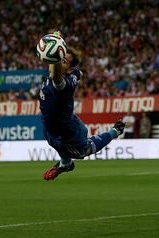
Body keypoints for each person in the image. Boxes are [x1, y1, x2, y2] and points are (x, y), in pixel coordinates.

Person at [39, 37, 125, 180]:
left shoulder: (63, 84)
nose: (59, 61)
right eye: (59, 57)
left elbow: (55, 74)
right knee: (58, 144)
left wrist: (54, 53)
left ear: (70, 68)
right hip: (50, 127)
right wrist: (56, 40)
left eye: (63, 61)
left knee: (84, 151)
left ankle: (114, 132)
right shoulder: (71, 73)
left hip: (70, 132)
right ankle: (65, 163)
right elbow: (75, 72)